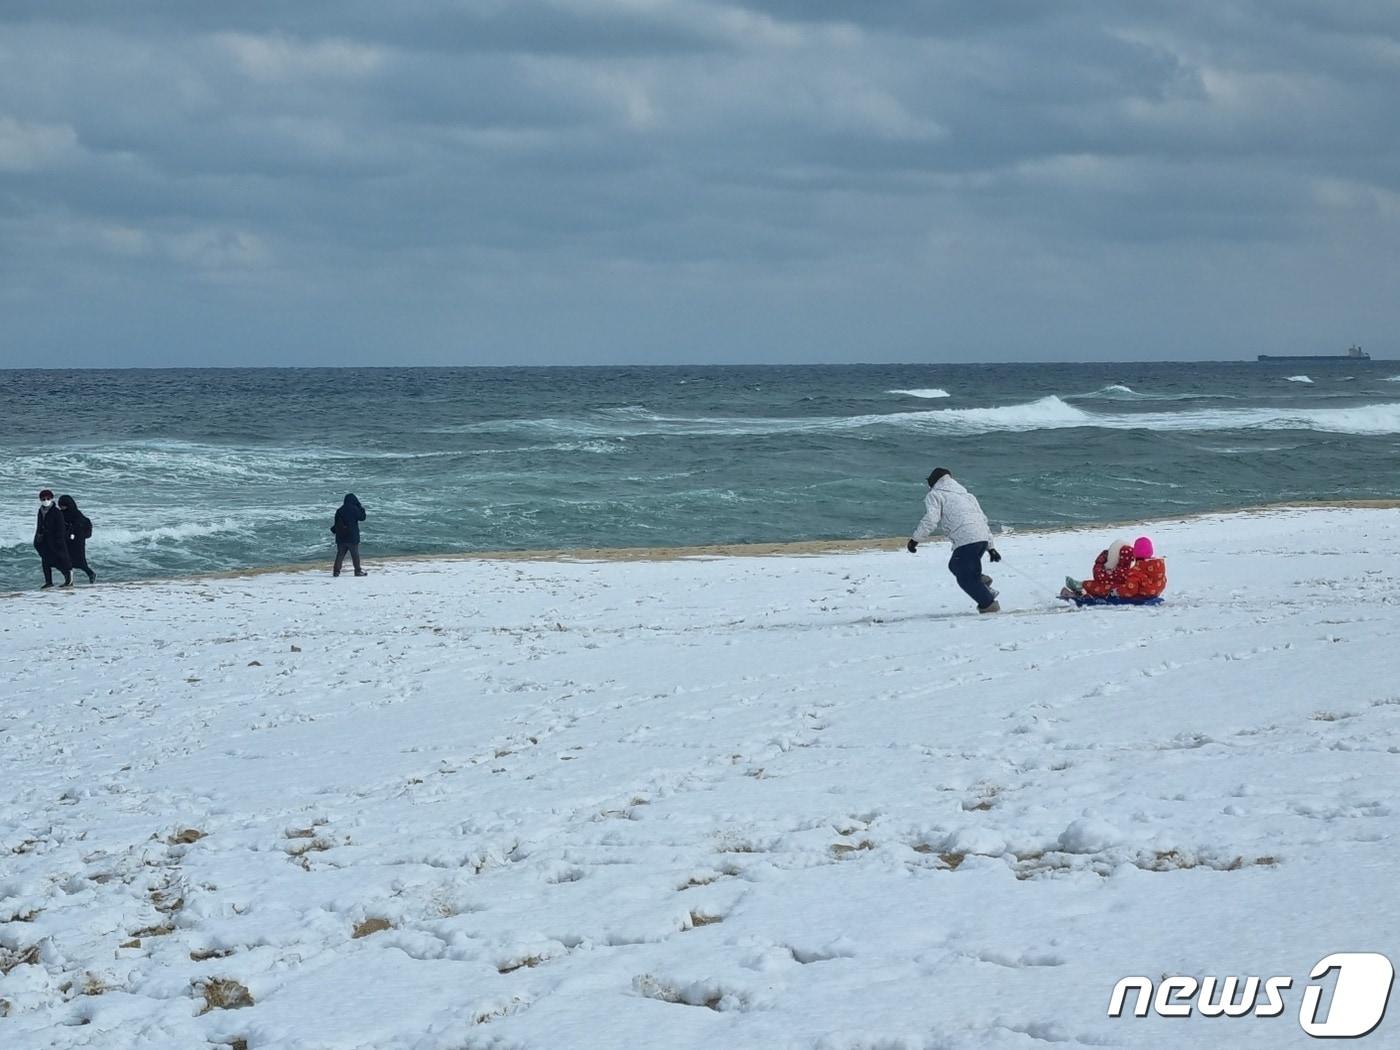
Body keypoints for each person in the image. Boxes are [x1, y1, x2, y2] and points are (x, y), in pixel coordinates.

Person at [906, 467, 1001, 613]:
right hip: (981, 537)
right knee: (955, 566)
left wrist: (915, 539)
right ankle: (982, 583)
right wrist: (991, 547)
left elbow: (931, 519)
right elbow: (982, 519)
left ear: (933, 481)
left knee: (965, 578)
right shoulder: (968, 496)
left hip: (966, 539)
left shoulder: (935, 494)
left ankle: (988, 605)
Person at [1062, 536, 1165, 601]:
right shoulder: (1157, 567)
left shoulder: (1136, 571)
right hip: (1151, 593)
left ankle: (1081, 588)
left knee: (1105, 587)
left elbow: (1131, 589)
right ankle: (1081, 587)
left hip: (1138, 594)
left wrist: (1116, 592)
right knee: (1108, 584)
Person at [33, 489, 73, 589]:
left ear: (51, 499)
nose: (45, 500)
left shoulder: (56, 512)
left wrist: (59, 540)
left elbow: (61, 528)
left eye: (48, 498)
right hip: (44, 541)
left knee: (59, 561)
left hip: (56, 541)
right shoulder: (40, 510)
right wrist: (37, 539)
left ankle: (69, 579)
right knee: (45, 562)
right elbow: (39, 525)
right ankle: (48, 582)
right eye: (43, 499)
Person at [56, 495, 96, 583]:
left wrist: (74, 529)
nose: (62, 507)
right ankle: (69, 580)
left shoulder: (76, 514)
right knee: (65, 562)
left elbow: (84, 525)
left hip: (77, 543)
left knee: (80, 563)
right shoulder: (60, 513)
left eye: (64, 505)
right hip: (66, 541)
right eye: (61, 505)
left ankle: (91, 574)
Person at [331, 493, 368, 577]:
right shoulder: (354, 509)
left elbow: (337, 524)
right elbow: (362, 518)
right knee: (355, 555)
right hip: (352, 537)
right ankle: (357, 571)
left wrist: (333, 530)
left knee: (340, 555)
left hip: (341, 537)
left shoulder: (339, 510)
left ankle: (336, 572)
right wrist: (361, 508)